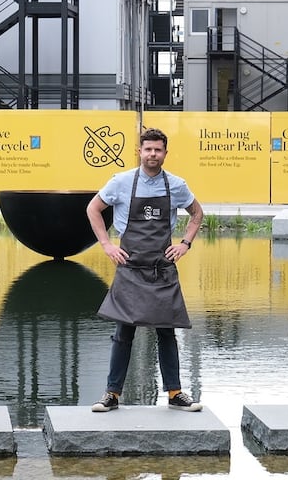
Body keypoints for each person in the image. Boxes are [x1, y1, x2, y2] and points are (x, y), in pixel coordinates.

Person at [86, 128, 205, 413]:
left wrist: (185, 244)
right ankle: (112, 395)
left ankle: (175, 393)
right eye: (148, 149)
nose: (153, 154)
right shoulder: (121, 182)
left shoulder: (176, 185)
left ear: (165, 153)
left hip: (161, 270)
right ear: (139, 151)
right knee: (123, 333)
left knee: (166, 332)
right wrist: (107, 245)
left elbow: (197, 214)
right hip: (129, 268)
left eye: (158, 150)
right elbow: (93, 209)